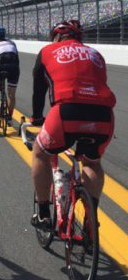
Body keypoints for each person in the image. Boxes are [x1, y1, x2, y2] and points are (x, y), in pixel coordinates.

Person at [29, 20, 115, 230]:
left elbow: (38, 90)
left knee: (40, 152)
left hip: (67, 111)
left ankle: (42, 213)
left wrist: (37, 118)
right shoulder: (95, 53)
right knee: (92, 163)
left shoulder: (48, 50)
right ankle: (90, 221)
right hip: (103, 114)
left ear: (57, 37)